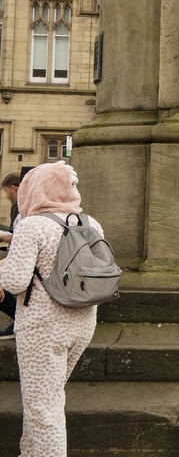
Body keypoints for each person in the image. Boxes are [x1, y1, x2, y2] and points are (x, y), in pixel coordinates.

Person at [0, 161, 103, 455]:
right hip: (83, 321)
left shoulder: (32, 226)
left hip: (43, 328)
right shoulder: (90, 223)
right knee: (46, 400)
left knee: (43, 408)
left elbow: (16, 282)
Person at [0, 172, 21, 335]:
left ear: (14, 188)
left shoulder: (21, 207)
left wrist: (1, 235)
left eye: (6, 192)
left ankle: (18, 317)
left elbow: (21, 241)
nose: (6, 196)